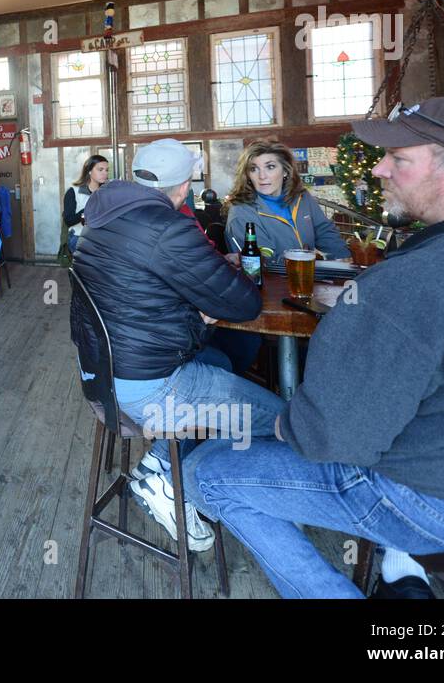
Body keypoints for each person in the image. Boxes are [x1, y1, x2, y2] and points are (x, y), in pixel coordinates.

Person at [184, 96, 444, 598]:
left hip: (440, 505)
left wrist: (282, 421)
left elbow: (327, 439)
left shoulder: (406, 285)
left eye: (399, 159)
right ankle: (403, 566)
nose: (378, 168)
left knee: (206, 472)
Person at [70, 138, 284, 552]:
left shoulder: (102, 217)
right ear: (184, 187)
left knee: (223, 359)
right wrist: (210, 292)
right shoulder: (168, 226)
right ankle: (173, 484)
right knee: (280, 421)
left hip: (102, 375)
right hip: (149, 388)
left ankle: (160, 464)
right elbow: (244, 303)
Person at [225, 142, 351, 260]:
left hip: (309, 275)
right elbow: (265, 263)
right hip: (276, 281)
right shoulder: (241, 213)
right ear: (247, 175)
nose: (262, 176)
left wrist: (346, 264)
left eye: (270, 167)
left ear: (285, 170)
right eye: (253, 169)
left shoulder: (302, 197)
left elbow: (325, 232)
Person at [62, 155, 108, 255]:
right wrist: (87, 210)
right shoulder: (73, 191)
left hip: (101, 236)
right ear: (89, 171)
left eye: (106, 170)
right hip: (79, 236)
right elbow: (68, 220)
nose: (105, 173)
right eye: (100, 169)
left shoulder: (106, 192)